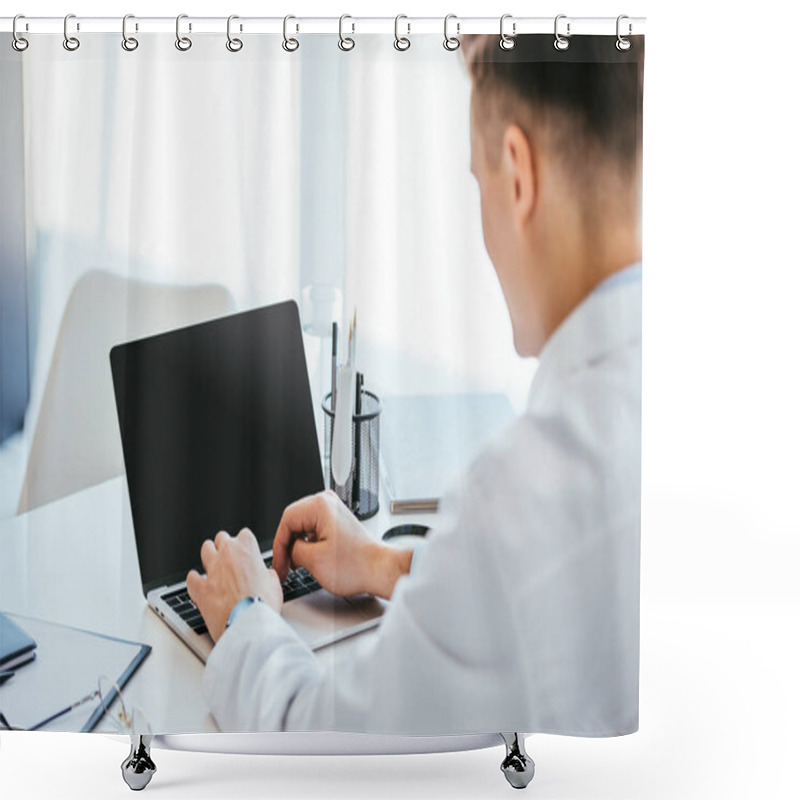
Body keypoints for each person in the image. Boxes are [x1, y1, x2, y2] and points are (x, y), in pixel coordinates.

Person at [186, 34, 643, 735]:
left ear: (517, 175)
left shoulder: (525, 491)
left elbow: (331, 750)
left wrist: (248, 616)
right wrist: (382, 563)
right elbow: (532, 601)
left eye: (477, 182)